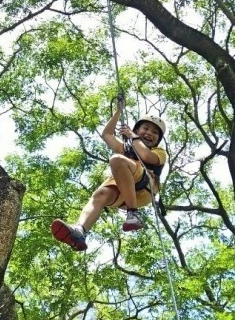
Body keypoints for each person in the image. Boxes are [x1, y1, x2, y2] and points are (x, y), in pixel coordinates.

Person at [51, 101, 167, 251]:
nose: (150, 133)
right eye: (146, 128)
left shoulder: (160, 152)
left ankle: (134, 214)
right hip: (125, 193)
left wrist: (133, 137)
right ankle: (80, 231)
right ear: (137, 130)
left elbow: (145, 155)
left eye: (155, 132)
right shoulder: (125, 149)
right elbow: (107, 134)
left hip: (146, 186)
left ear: (158, 139)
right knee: (100, 194)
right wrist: (118, 112)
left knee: (117, 159)